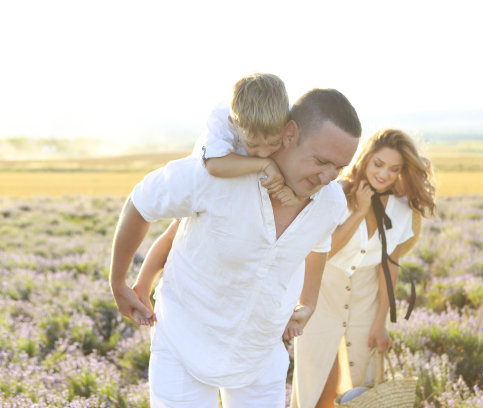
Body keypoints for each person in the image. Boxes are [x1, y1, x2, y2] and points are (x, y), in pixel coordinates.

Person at [109, 87, 361, 408]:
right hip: (184, 342)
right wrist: (118, 283)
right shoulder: (212, 174)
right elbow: (141, 203)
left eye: (339, 167)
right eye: (321, 161)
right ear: (289, 134)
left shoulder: (331, 201)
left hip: (260, 355)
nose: (329, 176)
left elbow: (317, 242)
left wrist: (307, 302)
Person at [131, 72, 299, 326]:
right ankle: (142, 284)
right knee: (176, 231)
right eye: (253, 144)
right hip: (219, 167)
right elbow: (215, 167)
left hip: (250, 177)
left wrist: (285, 185)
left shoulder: (288, 114)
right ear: (234, 123)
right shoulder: (221, 121)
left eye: (273, 143)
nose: (264, 150)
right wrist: (264, 163)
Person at [290, 128, 436, 408]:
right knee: (320, 387)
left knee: (361, 392)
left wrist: (381, 321)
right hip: (321, 299)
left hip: (365, 302)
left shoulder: (401, 211)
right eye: (378, 164)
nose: (383, 174)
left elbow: (388, 267)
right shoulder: (333, 196)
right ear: (365, 159)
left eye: (394, 169)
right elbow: (324, 250)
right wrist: (359, 211)